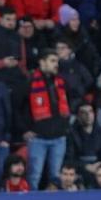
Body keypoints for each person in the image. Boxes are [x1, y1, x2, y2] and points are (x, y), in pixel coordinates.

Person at [19, 49, 71, 190]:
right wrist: (25, 129)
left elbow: (72, 100)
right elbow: (17, 108)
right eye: (52, 61)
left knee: (56, 176)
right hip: (38, 138)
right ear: (42, 62)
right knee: (34, 176)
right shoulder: (29, 82)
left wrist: (65, 126)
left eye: (57, 61)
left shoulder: (61, 81)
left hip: (59, 137)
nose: (56, 64)